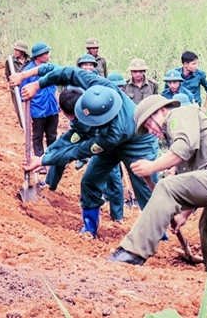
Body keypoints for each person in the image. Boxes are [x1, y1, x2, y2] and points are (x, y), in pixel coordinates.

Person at [9, 65, 158, 237]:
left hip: (138, 142)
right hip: (109, 138)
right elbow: (67, 72)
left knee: (146, 190)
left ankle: (158, 234)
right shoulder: (99, 86)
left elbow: (78, 150)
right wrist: (37, 84)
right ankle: (90, 228)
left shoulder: (113, 133)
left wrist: (42, 161)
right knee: (90, 181)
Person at [106, 95, 207, 272]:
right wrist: (184, 215)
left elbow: (183, 148)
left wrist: (151, 167)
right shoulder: (180, 134)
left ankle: (133, 252)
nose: (150, 130)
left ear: (162, 111)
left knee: (166, 186)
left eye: (149, 123)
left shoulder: (179, 115)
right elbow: (193, 182)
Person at [44, 87, 125, 223]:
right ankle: (49, 185)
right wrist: (49, 153)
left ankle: (117, 216)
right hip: (89, 137)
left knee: (113, 176)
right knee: (60, 155)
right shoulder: (78, 112)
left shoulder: (90, 109)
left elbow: (76, 139)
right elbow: (71, 137)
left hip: (108, 144)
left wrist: (49, 155)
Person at [19, 43, 59, 166]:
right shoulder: (28, 72)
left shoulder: (50, 68)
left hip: (52, 109)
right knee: (38, 137)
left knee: (52, 135)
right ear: (38, 56)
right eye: (46, 53)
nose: (48, 56)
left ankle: (53, 160)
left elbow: (55, 88)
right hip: (37, 110)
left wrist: (58, 104)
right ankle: (39, 162)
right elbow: (23, 96)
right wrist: (26, 117)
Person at [4, 40, 31, 126]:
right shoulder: (10, 61)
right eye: (14, 50)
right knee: (19, 109)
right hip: (16, 89)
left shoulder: (30, 60)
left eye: (17, 50)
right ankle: (24, 128)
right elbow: (8, 75)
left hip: (28, 87)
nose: (15, 52)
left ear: (22, 52)